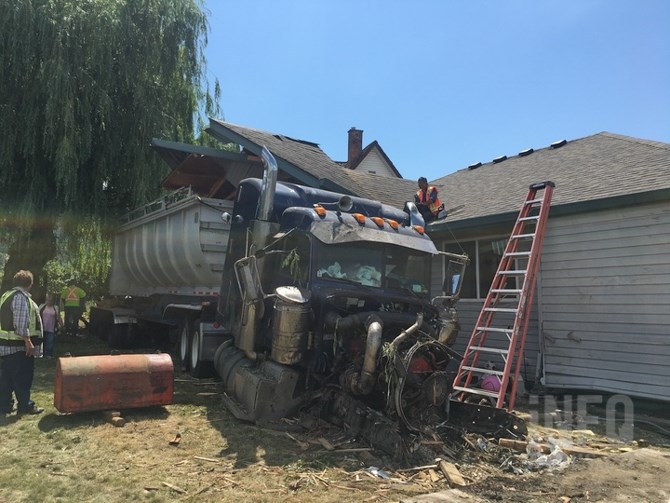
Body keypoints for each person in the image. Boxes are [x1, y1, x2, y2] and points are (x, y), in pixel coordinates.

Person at [0, 270, 45, 415]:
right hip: (19, 348)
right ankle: (25, 405)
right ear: (29, 284)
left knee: (6, 379)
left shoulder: (6, 295)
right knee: (22, 378)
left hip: (5, 347)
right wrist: (28, 342)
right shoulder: (20, 298)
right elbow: (20, 324)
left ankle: (5, 405)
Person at [39, 293, 62, 359]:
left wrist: (61, 325)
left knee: (50, 342)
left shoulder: (55, 308)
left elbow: (58, 317)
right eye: (47, 300)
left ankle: (49, 355)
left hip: (51, 328)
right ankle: (42, 354)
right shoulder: (41, 306)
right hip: (42, 328)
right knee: (42, 342)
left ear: (53, 301)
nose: (49, 301)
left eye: (50, 300)